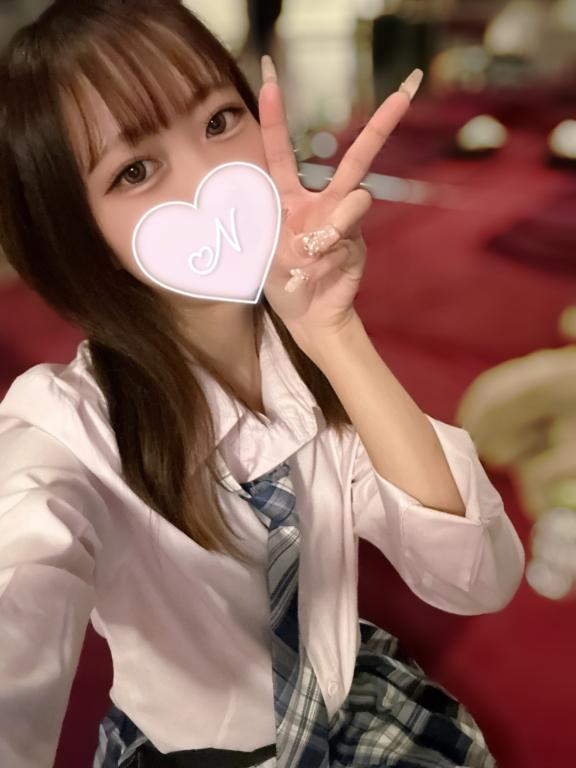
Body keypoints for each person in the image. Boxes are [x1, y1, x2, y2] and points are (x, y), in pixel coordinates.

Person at [0, 1, 525, 767]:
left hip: (346, 710)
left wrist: (334, 334)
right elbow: (22, 581)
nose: (211, 177)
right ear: (81, 234)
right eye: (135, 170)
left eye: (219, 121)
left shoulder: (303, 361)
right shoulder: (67, 429)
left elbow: (477, 576)